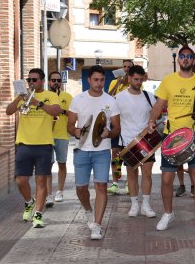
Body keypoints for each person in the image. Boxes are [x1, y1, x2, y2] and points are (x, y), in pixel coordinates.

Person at [148, 46, 195, 238]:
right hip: (172, 137)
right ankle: (168, 213)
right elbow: (159, 106)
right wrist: (152, 120)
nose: (186, 59)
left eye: (189, 56)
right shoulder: (168, 81)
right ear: (178, 60)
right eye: (183, 56)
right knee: (167, 180)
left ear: (193, 60)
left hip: (194, 135)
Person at [67, 65, 121, 240]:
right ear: (89, 80)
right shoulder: (78, 99)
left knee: (101, 186)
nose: (99, 83)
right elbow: (69, 125)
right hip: (82, 150)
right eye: (96, 80)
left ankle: (97, 225)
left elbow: (116, 128)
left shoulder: (111, 101)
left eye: (102, 80)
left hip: (102, 151)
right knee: (81, 188)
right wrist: (75, 131)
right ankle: (89, 210)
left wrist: (109, 133)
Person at [6, 68, 61, 228]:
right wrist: (19, 98)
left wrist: (38, 102)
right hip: (24, 143)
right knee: (21, 180)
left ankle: (38, 214)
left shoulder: (50, 95)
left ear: (42, 81)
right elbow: (8, 111)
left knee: (41, 180)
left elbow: (56, 111)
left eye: (34, 80)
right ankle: (29, 201)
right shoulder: (23, 96)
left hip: (44, 144)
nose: (31, 82)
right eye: (29, 80)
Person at [115, 65, 157, 218]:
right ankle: (134, 205)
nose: (138, 82)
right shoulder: (119, 97)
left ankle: (146, 205)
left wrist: (153, 125)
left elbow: (158, 116)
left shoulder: (149, 96)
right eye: (135, 79)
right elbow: (112, 119)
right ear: (129, 78)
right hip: (127, 141)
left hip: (146, 140)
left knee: (147, 174)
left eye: (141, 79)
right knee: (131, 174)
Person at [107, 59, 134, 195]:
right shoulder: (114, 82)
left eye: (129, 66)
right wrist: (117, 83)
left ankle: (130, 182)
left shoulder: (134, 82)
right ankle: (115, 182)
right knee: (115, 154)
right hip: (116, 122)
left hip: (129, 124)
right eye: (124, 66)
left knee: (130, 154)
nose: (126, 69)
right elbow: (108, 97)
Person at [45, 71, 72, 206]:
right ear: (49, 82)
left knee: (62, 164)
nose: (56, 83)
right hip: (46, 136)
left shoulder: (67, 96)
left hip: (62, 135)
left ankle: (59, 191)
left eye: (58, 80)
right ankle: (48, 195)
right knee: (47, 166)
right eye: (53, 80)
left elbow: (73, 115)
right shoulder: (45, 96)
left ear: (61, 82)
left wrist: (62, 111)